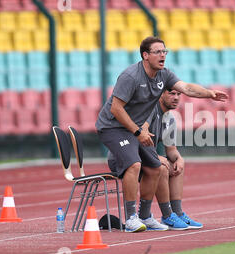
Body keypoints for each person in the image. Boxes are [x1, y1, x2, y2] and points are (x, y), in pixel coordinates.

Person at [95, 36, 227, 233]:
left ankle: (146, 217)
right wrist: (138, 131)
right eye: (158, 52)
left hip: (133, 129)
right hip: (113, 127)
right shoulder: (130, 76)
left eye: (165, 51)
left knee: (156, 168)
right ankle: (131, 218)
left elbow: (187, 88)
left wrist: (209, 93)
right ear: (145, 55)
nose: (163, 55)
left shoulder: (164, 75)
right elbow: (115, 109)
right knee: (134, 164)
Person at [108, 89, 201, 231]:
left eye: (178, 94)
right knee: (160, 167)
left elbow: (171, 150)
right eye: (171, 93)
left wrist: (179, 158)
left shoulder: (170, 119)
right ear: (160, 95)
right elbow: (136, 138)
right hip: (123, 156)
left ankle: (177, 213)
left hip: (145, 158)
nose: (176, 98)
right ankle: (165, 215)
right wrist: (156, 157)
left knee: (176, 166)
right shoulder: (148, 112)